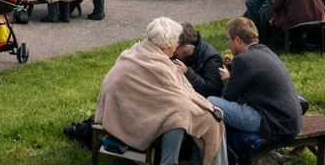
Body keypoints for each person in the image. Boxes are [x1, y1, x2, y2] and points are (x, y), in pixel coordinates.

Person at [96, 17, 225, 165]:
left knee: (182, 113)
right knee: (179, 116)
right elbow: (176, 95)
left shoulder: (138, 50)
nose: (177, 46)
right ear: (167, 44)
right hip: (127, 113)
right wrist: (206, 106)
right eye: (176, 41)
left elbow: (169, 93)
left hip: (124, 108)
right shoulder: (158, 62)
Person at [208, 18, 303, 143]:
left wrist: (227, 79)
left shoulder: (242, 59)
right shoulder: (266, 51)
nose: (227, 43)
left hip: (273, 125)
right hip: (292, 124)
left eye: (228, 39)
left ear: (237, 40)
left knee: (212, 102)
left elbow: (229, 96)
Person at [174, 22, 224, 99]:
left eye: (176, 46)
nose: (173, 49)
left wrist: (188, 73)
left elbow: (213, 90)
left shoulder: (211, 59)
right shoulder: (178, 54)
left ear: (186, 48)